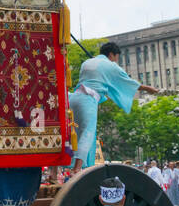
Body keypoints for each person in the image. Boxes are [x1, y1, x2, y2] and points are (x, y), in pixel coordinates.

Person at [68, 42, 159, 171]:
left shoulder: (86, 63)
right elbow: (127, 82)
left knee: (71, 133)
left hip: (73, 99)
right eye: (116, 57)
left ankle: (55, 172)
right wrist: (147, 88)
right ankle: (76, 169)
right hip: (87, 100)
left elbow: (98, 81)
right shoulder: (111, 66)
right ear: (111, 54)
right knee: (87, 134)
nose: (116, 60)